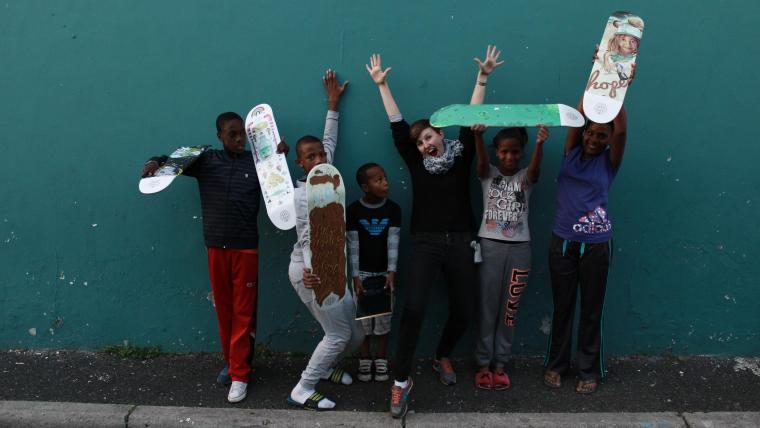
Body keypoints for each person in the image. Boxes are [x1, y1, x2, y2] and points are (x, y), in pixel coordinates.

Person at [365, 45, 503, 418]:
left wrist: (482, 77)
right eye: (420, 141)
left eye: (429, 136)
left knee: (464, 310)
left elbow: (470, 116)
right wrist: (382, 85)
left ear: (440, 134)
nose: (426, 143)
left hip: (461, 242)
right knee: (414, 310)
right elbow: (397, 127)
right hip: (425, 243)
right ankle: (400, 381)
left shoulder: (462, 154)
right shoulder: (416, 161)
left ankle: (442, 355)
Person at [141, 112, 288, 403]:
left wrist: (278, 157)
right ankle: (233, 364)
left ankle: (240, 376)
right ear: (219, 135)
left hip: (245, 248)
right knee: (225, 310)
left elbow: (280, 181)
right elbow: (172, 161)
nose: (237, 139)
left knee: (244, 313)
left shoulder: (256, 163)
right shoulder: (206, 161)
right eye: (231, 134)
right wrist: (154, 163)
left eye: (241, 134)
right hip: (215, 247)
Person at [543, 66, 630, 394]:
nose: (594, 139)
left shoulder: (610, 162)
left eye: (600, 135)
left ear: (608, 141)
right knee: (563, 307)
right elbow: (579, 114)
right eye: (590, 133)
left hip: (596, 246)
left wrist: (618, 86)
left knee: (591, 310)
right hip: (562, 243)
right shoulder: (570, 153)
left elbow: (621, 129)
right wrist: (599, 75)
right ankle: (556, 365)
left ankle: (589, 370)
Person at [286, 69, 365, 411]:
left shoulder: (327, 175)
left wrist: (333, 104)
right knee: (339, 335)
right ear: (299, 163)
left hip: (333, 267)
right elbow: (306, 238)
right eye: (311, 157)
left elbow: (329, 140)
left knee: (357, 332)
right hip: (312, 271)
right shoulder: (302, 197)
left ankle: (328, 368)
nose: (319, 160)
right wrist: (308, 269)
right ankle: (302, 388)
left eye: (320, 155)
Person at [472, 123, 549, 390]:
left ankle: (500, 362)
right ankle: (483, 363)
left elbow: (536, 171)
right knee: (487, 307)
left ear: (521, 153)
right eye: (504, 152)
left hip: (520, 251)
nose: (509, 157)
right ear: (497, 153)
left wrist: (539, 145)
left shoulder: (525, 178)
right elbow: (480, 164)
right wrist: (478, 137)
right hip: (490, 248)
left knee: (508, 311)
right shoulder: (488, 174)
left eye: (515, 152)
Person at [347, 163, 401, 383]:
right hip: (362, 274)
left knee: (383, 319)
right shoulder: (353, 211)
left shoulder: (393, 209)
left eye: (385, 177)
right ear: (365, 187)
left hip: (384, 274)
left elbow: (394, 242)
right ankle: (364, 357)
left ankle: (380, 357)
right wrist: (356, 276)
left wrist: (392, 272)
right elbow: (352, 245)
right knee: (362, 320)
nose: (385, 182)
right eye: (378, 180)